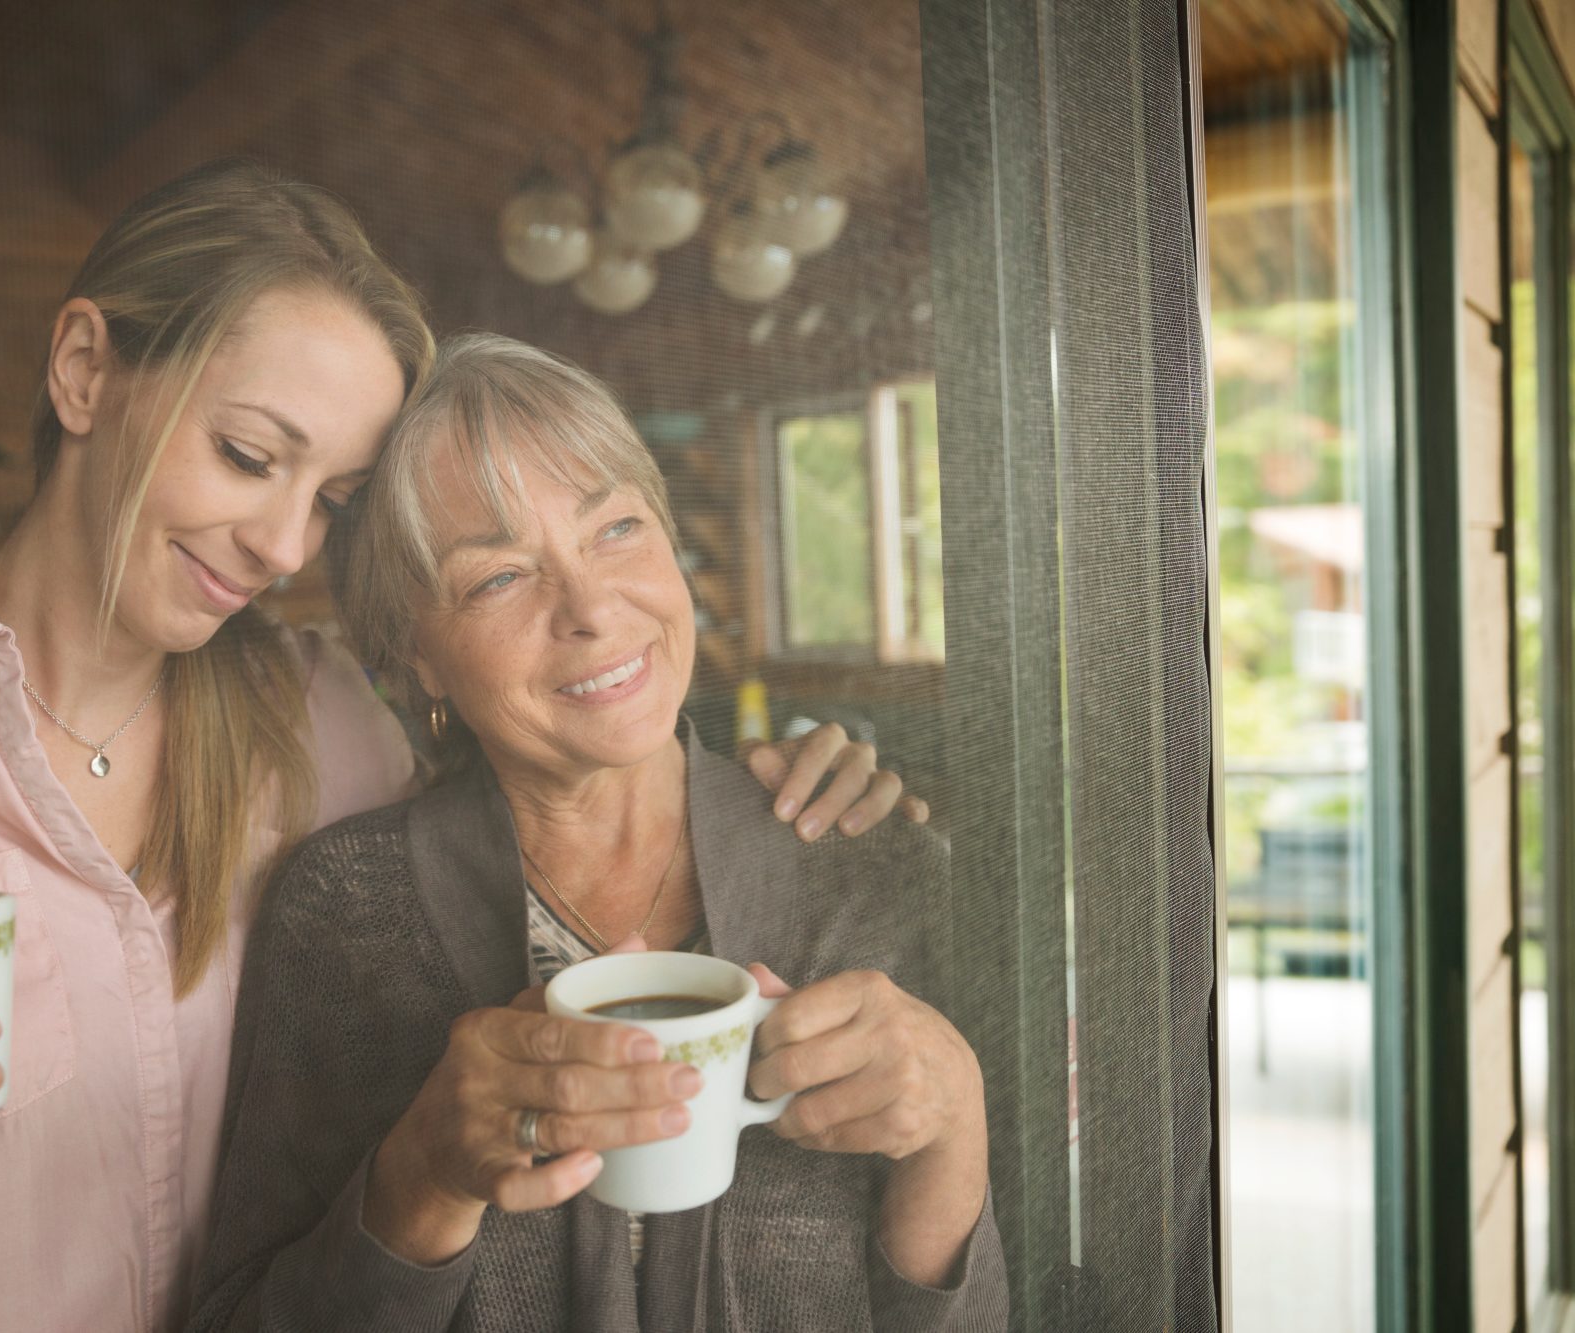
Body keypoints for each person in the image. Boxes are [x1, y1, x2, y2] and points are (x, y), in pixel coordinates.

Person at [0, 162, 918, 1333]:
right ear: (84, 368)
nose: (279, 546)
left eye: (330, 500)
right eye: (251, 456)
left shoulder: (329, 729)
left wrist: (759, 800)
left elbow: (545, 751)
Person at [191, 334, 1007, 1331]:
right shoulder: (343, 906)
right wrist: (419, 1176)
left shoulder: (871, 867)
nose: (589, 607)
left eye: (615, 528)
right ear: (417, 657)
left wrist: (949, 1124)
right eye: (497, 577)